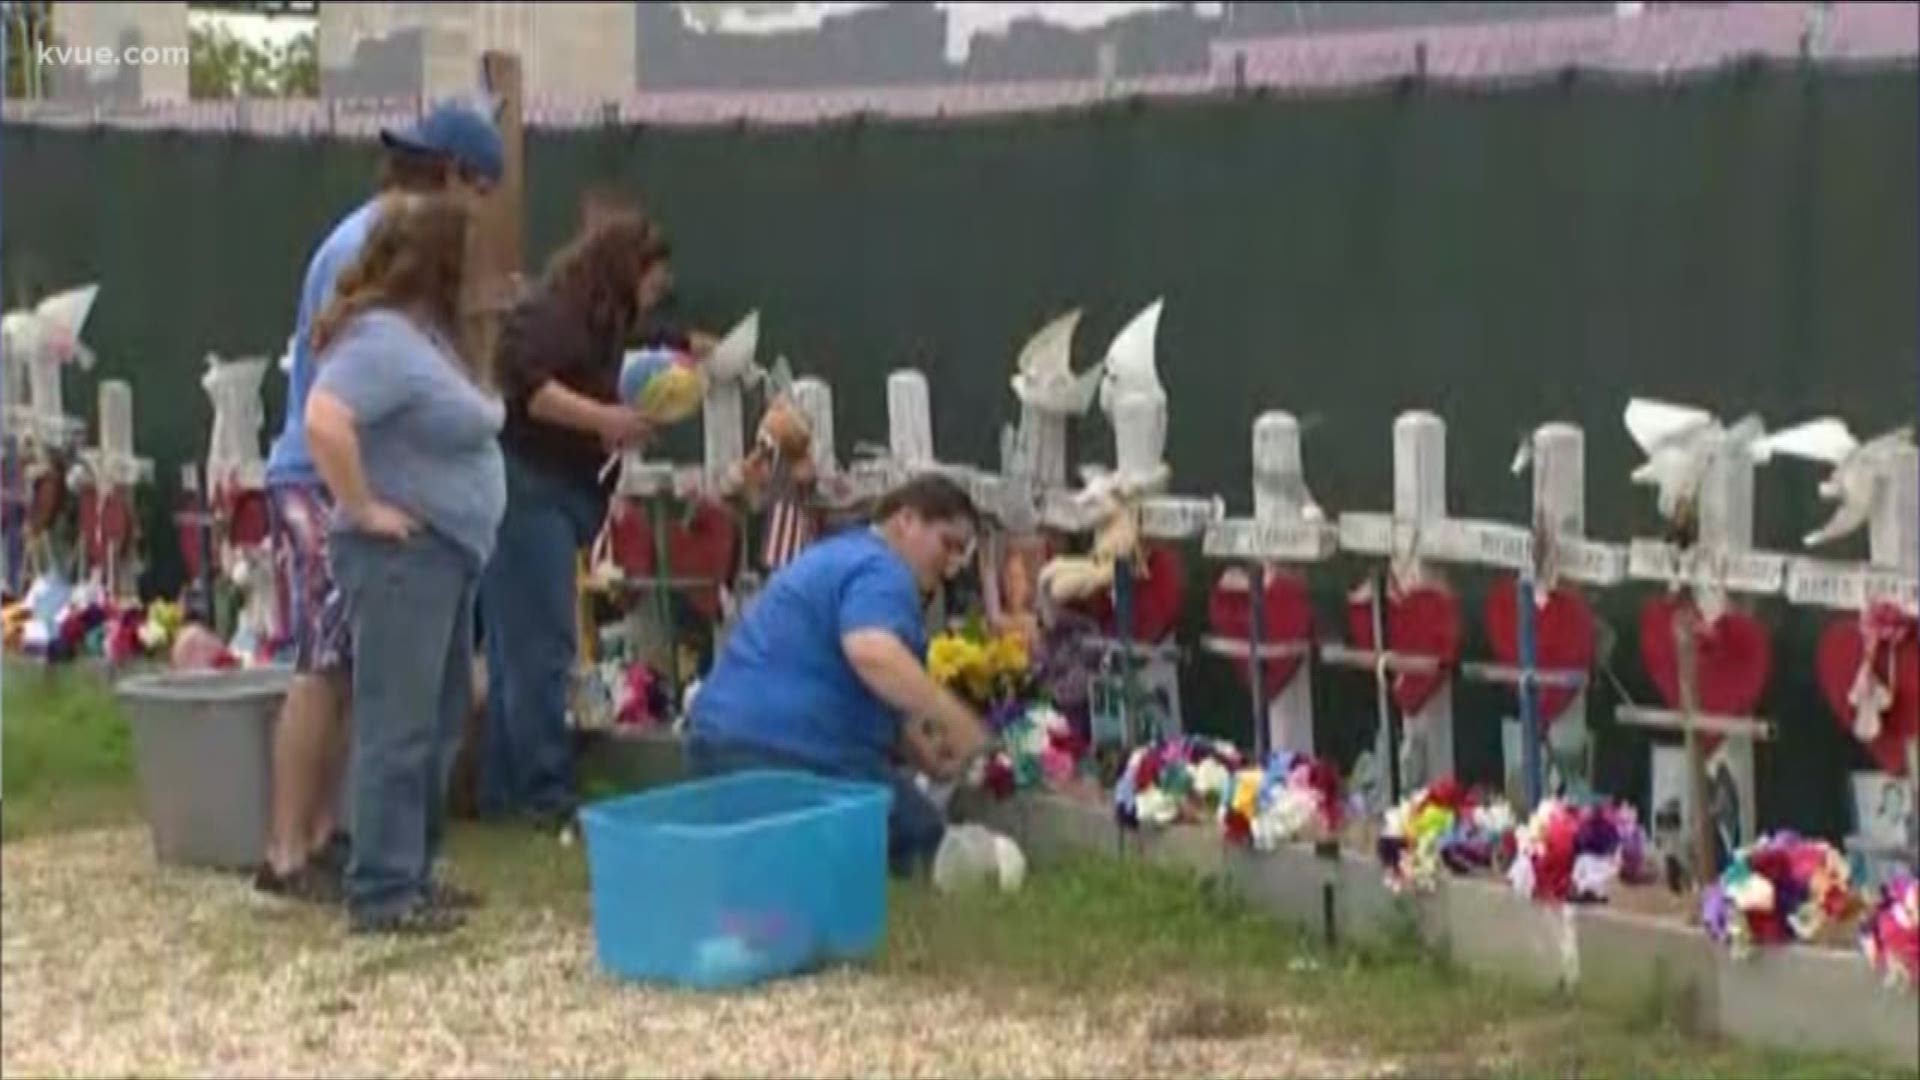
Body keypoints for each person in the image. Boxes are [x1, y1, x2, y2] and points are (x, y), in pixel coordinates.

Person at [255, 98, 503, 901]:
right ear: (456, 176)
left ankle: (338, 838)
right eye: (483, 190)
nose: (482, 216)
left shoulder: (387, 251)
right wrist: (360, 506)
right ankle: (290, 848)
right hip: (321, 482)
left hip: (366, 489)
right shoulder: (376, 251)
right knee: (324, 663)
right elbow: (341, 399)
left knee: (367, 676)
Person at [304, 191, 507, 935]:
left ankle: (412, 873)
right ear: (440, 265)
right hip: (401, 563)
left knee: (441, 716)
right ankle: (383, 889)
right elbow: (326, 419)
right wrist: (364, 508)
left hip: (445, 559)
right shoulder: (380, 339)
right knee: (400, 723)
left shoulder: (428, 340)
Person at [685, 475, 993, 876]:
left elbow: (847, 681)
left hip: (717, 746)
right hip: (789, 758)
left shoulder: (838, 554)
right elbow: (871, 652)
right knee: (923, 842)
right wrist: (958, 721)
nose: (952, 566)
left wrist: (922, 752)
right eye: (947, 544)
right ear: (906, 520)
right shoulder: (883, 570)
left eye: (961, 555)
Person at [479, 210, 671, 828]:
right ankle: (545, 792)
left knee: (519, 648)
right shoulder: (549, 316)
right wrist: (606, 421)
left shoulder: (591, 326)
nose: (656, 292)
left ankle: (507, 788)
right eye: (651, 278)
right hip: (529, 490)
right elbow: (528, 388)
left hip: (553, 491)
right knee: (540, 645)